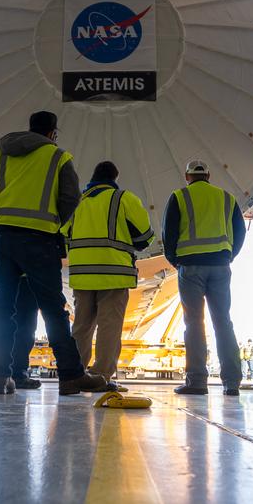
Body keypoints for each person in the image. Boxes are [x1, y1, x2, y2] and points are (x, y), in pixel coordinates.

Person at [0, 111, 108, 396]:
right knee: (52, 309)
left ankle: (0, 376)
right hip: (40, 239)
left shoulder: (0, 157)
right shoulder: (58, 157)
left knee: (2, 306)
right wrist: (51, 224)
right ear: (52, 132)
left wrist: (2, 222)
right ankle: (71, 375)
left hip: (3, 239)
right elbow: (70, 199)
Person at [161, 157, 246, 396]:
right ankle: (231, 383)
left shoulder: (179, 197)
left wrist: (177, 261)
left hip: (190, 267)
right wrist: (228, 256)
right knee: (223, 322)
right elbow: (239, 232)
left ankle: (197, 381)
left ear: (187, 177)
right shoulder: (227, 198)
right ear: (208, 176)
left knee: (194, 323)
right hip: (220, 266)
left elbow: (169, 234)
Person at [64, 160, 154, 383]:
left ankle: (75, 373)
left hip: (82, 275)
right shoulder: (124, 199)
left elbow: (64, 236)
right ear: (114, 178)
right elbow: (145, 237)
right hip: (114, 274)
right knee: (109, 326)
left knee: (81, 326)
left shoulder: (76, 202)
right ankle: (100, 376)